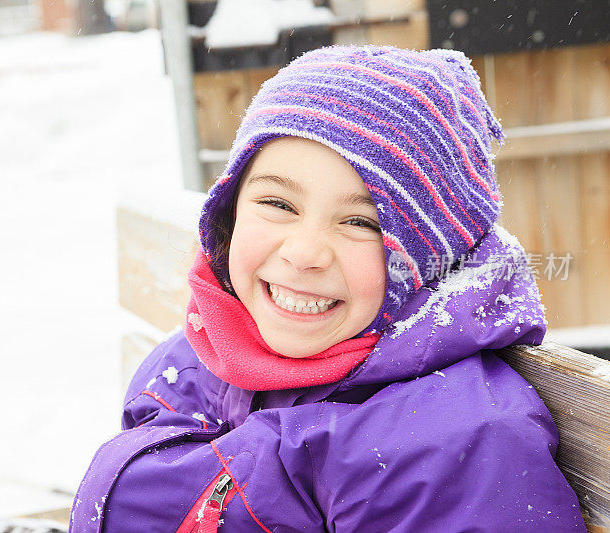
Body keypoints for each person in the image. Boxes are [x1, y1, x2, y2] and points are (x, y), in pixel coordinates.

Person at [70, 45, 586, 532]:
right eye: (278, 204)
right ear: (228, 212)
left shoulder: (457, 444)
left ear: (425, 257)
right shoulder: (198, 358)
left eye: (360, 222)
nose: (304, 252)